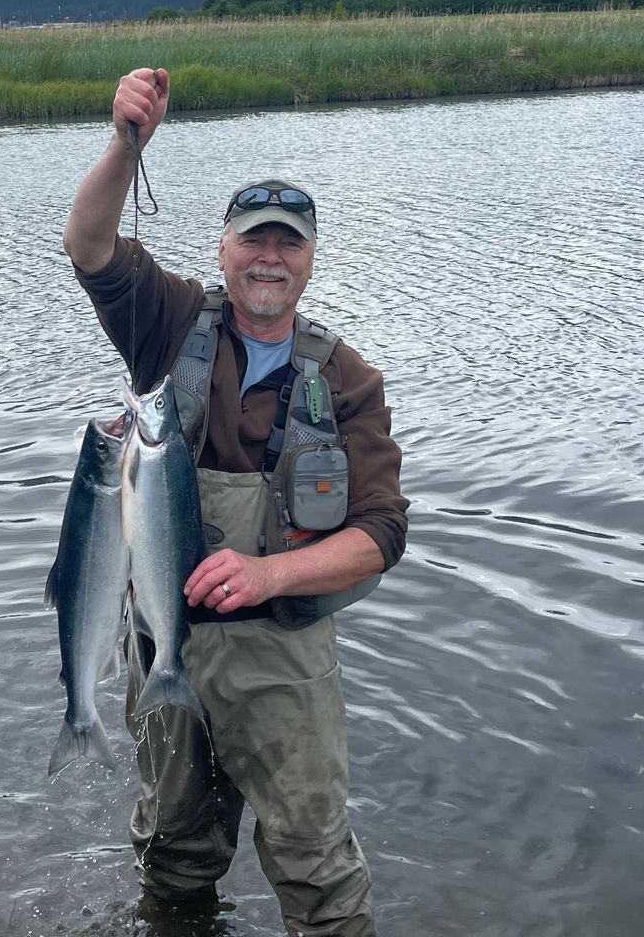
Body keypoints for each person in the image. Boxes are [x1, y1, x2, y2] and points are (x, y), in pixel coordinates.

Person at [63, 66, 407, 937]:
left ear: (310, 262)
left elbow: (380, 535)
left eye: (289, 243)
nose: (270, 257)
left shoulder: (347, 380)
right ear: (222, 251)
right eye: (254, 239)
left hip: (282, 659)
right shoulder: (173, 324)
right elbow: (90, 245)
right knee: (174, 856)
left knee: (319, 873)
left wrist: (267, 574)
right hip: (165, 647)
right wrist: (126, 141)